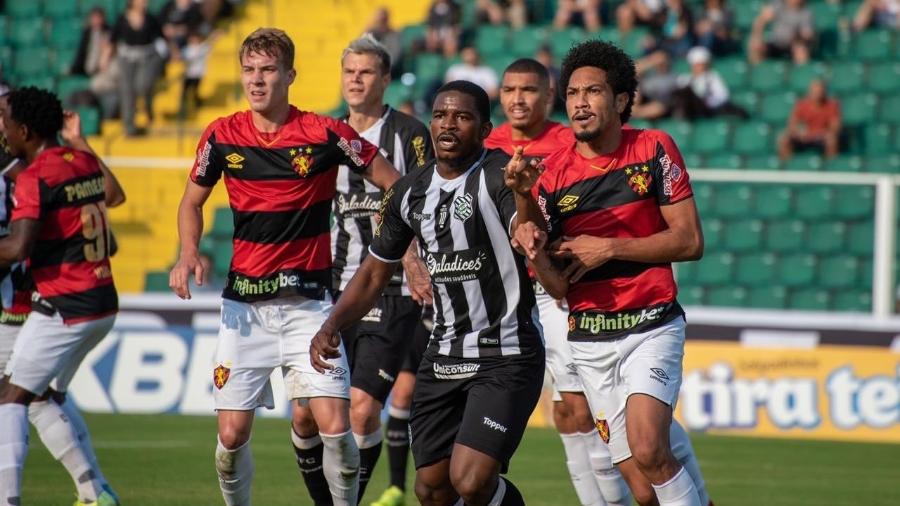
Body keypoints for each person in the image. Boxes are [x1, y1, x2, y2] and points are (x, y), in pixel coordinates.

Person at [168, 28, 401, 506]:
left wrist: (394, 227)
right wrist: (188, 251)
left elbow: (394, 183)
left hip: (309, 308)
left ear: (290, 75)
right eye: (249, 70)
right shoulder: (220, 135)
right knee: (231, 438)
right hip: (243, 311)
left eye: (268, 70)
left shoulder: (326, 133)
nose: (256, 80)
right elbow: (191, 203)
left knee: (336, 427)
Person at [310, 80, 544, 506]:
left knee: (470, 481)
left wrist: (525, 201)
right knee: (432, 490)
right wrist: (332, 324)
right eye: (440, 115)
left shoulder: (499, 176)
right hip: (444, 353)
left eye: (462, 116)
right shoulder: (408, 191)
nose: (448, 124)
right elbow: (373, 274)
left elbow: (525, 229)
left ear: (485, 128)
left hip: (505, 354)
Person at [508, 39, 712, 506]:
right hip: (591, 339)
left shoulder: (654, 147)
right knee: (644, 492)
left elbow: (690, 241)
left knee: (649, 448)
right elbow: (558, 285)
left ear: (620, 100)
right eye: (574, 93)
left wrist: (611, 248)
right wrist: (524, 205)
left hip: (651, 325)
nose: (580, 102)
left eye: (593, 91)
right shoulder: (552, 177)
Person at [289, 34, 434, 506]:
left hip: (388, 289)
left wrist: (412, 262)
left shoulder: (409, 135)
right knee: (305, 417)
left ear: (385, 79)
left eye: (366, 72)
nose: (355, 79)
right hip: (325, 288)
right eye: (349, 71)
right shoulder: (322, 134)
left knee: (361, 412)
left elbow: (421, 204)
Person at [485, 58, 633, 506]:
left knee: (586, 409)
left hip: (558, 290)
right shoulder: (486, 144)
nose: (517, 99)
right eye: (509, 90)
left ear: (549, 97)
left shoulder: (570, 141)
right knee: (566, 412)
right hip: (505, 297)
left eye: (528, 90)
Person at [0, 87, 124, 506]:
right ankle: (95, 493)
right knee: (39, 396)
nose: (3, 129)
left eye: (7, 122)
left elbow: (18, 248)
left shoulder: (36, 177)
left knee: (9, 398)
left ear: (25, 129)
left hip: (65, 304)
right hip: (102, 300)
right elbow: (112, 207)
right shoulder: (83, 161)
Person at [104, 0, 165, 136]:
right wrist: (105, 59)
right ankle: (129, 127)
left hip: (148, 57)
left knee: (143, 85)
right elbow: (112, 40)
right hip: (127, 58)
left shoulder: (151, 19)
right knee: (127, 91)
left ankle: (148, 108)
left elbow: (162, 37)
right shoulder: (122, 19)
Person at [671, 46, 746, 120]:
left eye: (702, 64)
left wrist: (708, 103)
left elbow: (722, 96)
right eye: (697, 65)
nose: (700, 67)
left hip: (707, 110)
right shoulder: (684, 78)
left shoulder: (712, 77)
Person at [777, 78, 841, 160]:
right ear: (810, 91)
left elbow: (835, 127)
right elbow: (792, 123)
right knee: (783, 138)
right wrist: (798, 132)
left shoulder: (832, 105)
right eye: (814, 90)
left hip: (821, 137)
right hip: (804, 136)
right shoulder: (801, 104)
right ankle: (788, 167)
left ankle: (831, 166)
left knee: (831, 140)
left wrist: (823, 133)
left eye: (820, 90)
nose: (817, 93)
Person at [748, 0, 814, 65]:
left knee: (801, 51)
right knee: (756, 45)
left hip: (792, 45)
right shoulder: (778, 4)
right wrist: (757, 37)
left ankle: (801, 74)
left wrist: (799, 38)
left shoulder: (805, 12)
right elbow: (760, 21)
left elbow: (807, 35)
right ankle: (757, 71)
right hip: (774, 42)